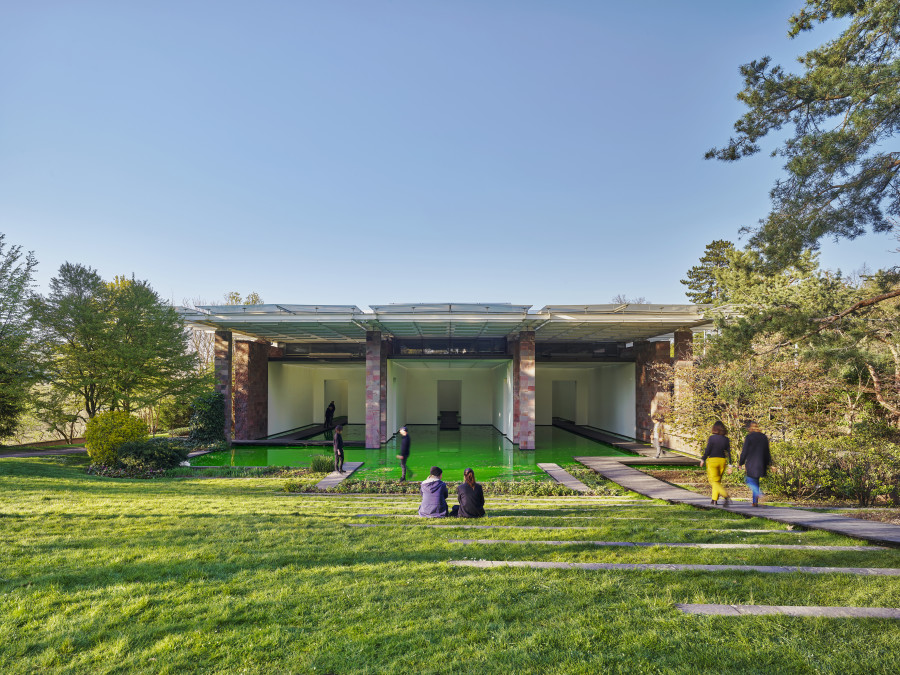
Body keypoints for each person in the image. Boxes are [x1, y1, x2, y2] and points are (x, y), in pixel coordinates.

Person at [739, 420, 772, 507]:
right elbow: (767, 452)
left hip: (751, 463)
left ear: (750, 428)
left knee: (748, 480)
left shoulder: (749, 437)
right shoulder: (764, 437)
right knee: (756, 482)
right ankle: (755, 502)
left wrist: (741, 462)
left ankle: (759, 493)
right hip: (761, 463)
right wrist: (770, 464)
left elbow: (744, 451)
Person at [699, 420, 731, 506]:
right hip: (722, 461)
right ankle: (714, 500)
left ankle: (725, 495)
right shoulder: (726, 439)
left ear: (714, 428)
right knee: (717, 481)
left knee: (713, 481)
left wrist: (703, 459)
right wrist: (730, 465)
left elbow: (708, 450)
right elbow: (729, 453)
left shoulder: (712, 438)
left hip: (713, 461)